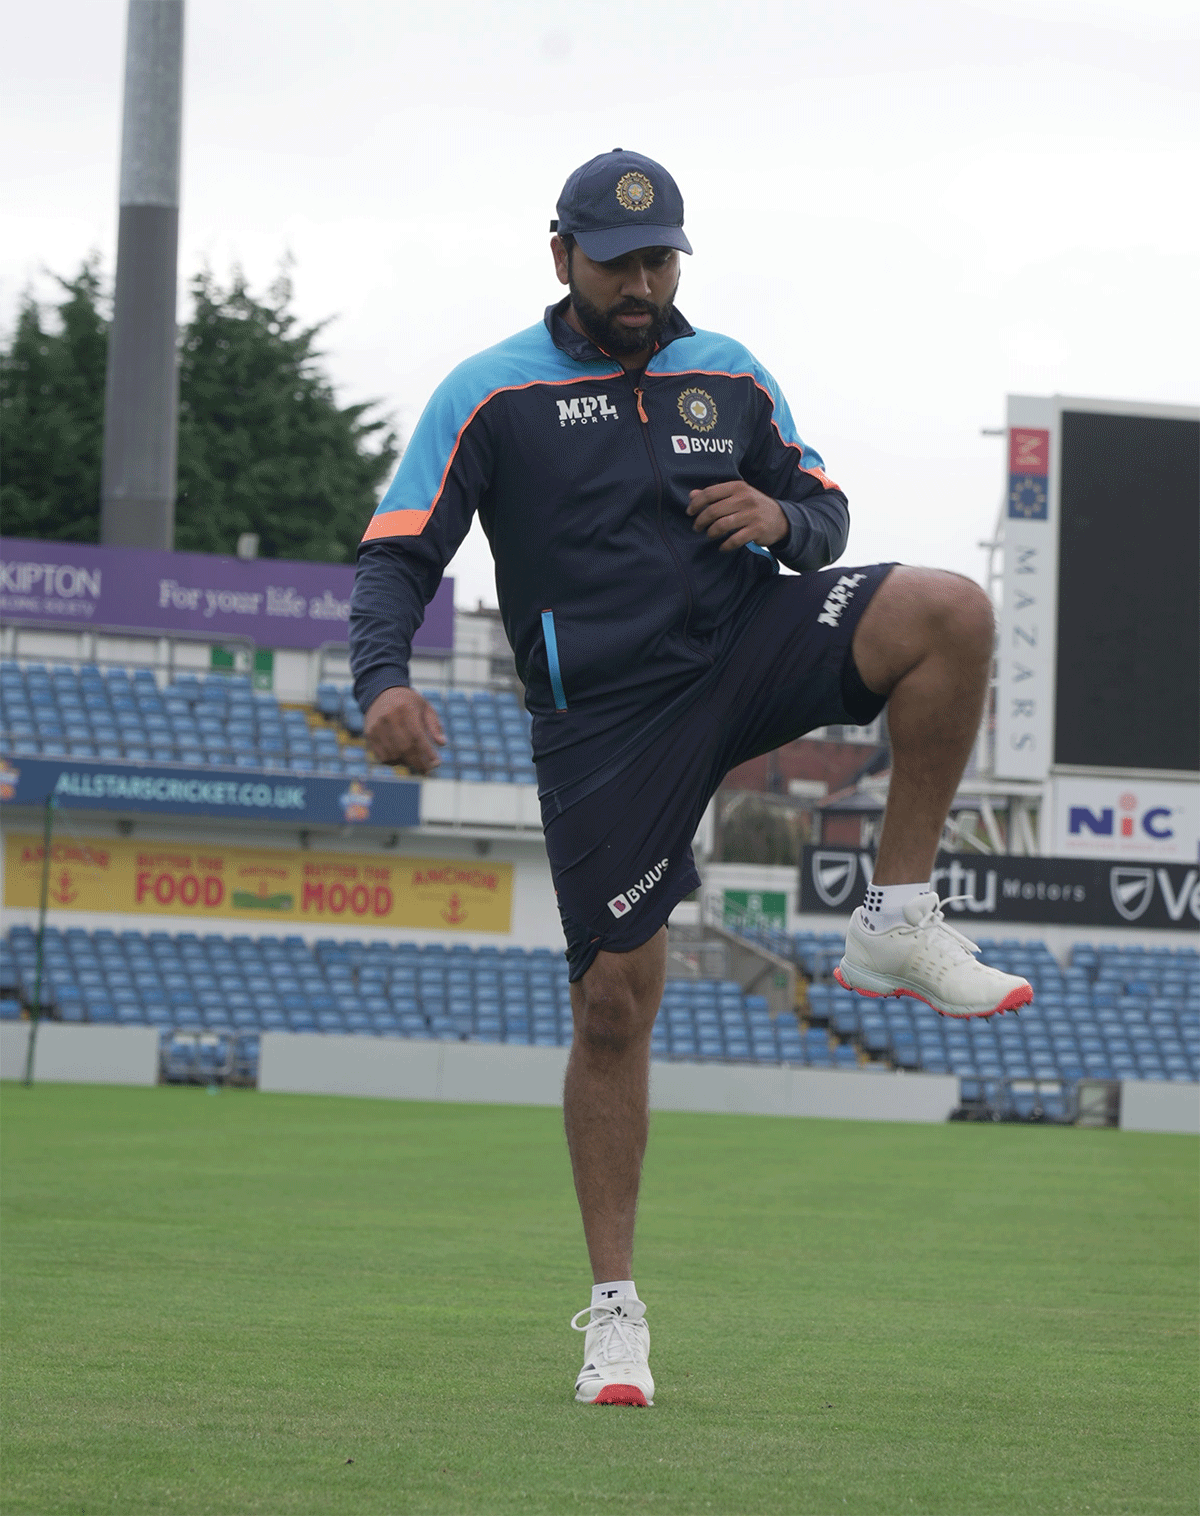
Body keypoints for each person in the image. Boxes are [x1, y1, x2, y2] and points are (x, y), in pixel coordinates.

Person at [349, 148, 1033, 1408]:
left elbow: (819, 504)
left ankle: (897, 916)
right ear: (561, 256)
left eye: (661, 258)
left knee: (950, 611)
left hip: (747, 646)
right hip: (607, 718)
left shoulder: (730, 371)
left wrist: (783, 524)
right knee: (617, 1001)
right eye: (618, 263)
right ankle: (615, 1313)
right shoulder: (488, 394)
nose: (642, 282)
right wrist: (382, 680)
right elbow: (396, 557)